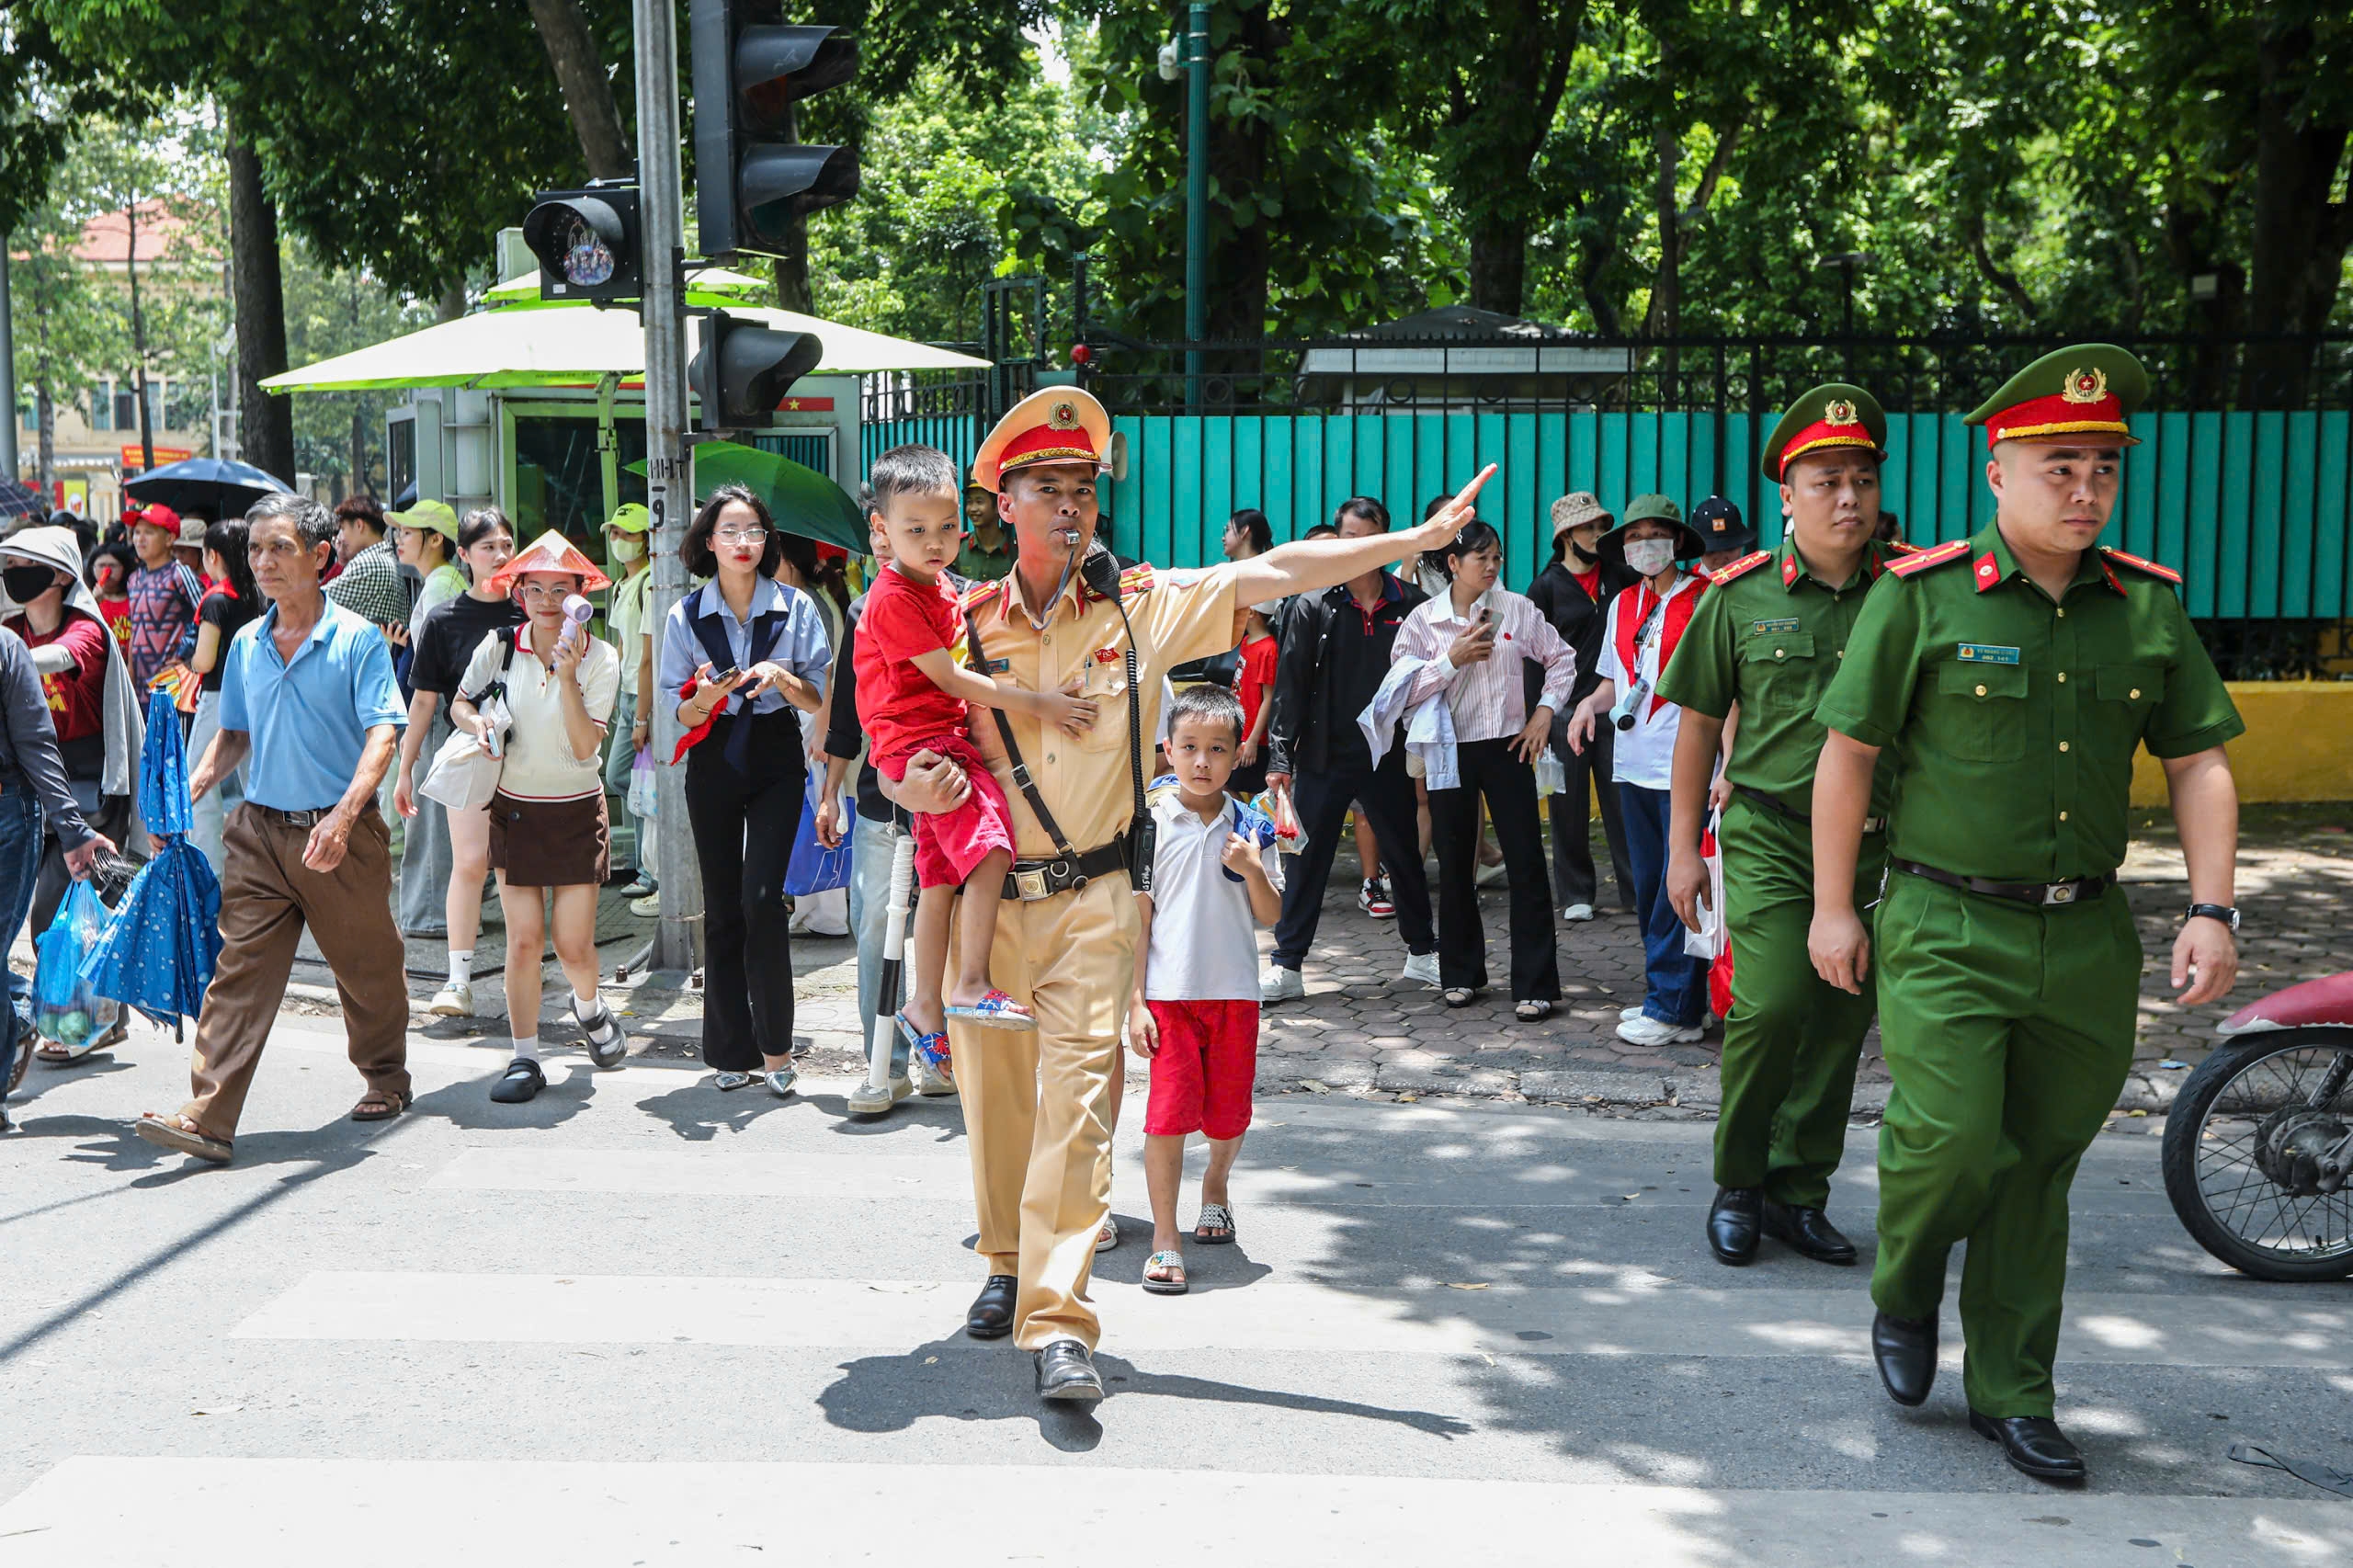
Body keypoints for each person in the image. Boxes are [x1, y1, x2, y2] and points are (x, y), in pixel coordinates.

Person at [885, 383, 1484, 1402]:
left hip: (1097, 905)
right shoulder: (961, 623)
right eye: (1046, 487)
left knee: (1079, 1110)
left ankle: (1060, 1314)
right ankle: (1003, 1260)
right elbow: (893, 745)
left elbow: (1275, 570)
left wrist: (1412, 541)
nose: (1069, 504)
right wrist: (908, 782)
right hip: (991, 899)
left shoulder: (1138, 609)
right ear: (1003, 504)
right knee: (996, 1107)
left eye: (1082, 487)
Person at [1812, 346, 2244, 1484]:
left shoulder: (2147, 608)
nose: (2086, 487)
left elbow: (2197, 760)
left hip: (2086, 936)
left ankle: (2012, 1389)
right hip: (1946, 923)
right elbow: (1846, 756)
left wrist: (2212, 905)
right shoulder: (1921, 596)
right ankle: (1905, 1282)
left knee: (2039, 1165)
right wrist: (1829, 908)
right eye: (2060, 464)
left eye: (2103, 465)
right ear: (1996, 469)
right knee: (1952, 1142)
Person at [1654, 387, 1910, 1271]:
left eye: (1863, 479)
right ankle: (1740, 1182)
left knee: (1841, 1021)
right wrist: (1684, 850)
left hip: (1883, 844)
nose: (1850, 498)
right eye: (1828, 480)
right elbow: (1695, 724)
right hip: (1768, 833)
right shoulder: (1740, 597)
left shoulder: (1915, 593)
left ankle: (1799, 1193)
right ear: (1788, 495)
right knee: (1768, 1007)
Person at [131, 492, 411, 1165]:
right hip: (257, 834)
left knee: (367, 968)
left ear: (320, 557)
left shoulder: (356, 639)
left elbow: (384, 734)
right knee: (239, 975)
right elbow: (233, 735)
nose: (263, 562)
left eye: (279, 548)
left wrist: (345, 817)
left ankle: (385, 1075)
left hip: (338, 836)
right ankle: (208, 1115)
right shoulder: (249, 643)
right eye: (256, 549)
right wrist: (189, 789)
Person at [855, 443, 1088, 1056]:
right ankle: (973, 982)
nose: (936, 542)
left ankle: (924, 1005)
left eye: (947, 528)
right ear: (881, 530)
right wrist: (1044, 703)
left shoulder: (938, 589)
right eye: (916, 530)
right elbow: (951, 679)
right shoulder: (895, 599)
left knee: (936, 885)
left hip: (925, 748)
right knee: (990, 852)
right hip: (929, 748)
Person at [656, 483, 833, 1096]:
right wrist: (703, 699)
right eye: (730, 532)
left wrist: (782, 676)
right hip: (713, 753)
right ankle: (731, 1053)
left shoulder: (795, 608)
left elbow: (818, 698)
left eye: (754, 532)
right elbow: (673, 715)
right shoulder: (685, 616)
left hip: (776, 752)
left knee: (762, 898)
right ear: (709, 542)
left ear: (767, 541)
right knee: (724, 905)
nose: (743, 543)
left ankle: (777, 1052)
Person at [449, 532, 628, 1103]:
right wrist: (474, 723)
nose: (548, 600)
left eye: (561, 589)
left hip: (576, 811)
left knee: (573, 946)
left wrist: (569, 675)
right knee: (524, 942)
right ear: (518, 593)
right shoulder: (499, 647)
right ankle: (524, 1059)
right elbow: (461, 700)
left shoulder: (602, 659)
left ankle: (590, 1008)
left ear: (582, 595)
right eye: (536, 589)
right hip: (514, 811)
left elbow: (583, 747)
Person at [1129, 683, 1284, 1296]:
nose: (1201, 761)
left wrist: (1250, 867)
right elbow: (1139, 918)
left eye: (1217, 749)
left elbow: (1272, 914)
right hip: (1168, 994)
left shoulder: (1249, 822)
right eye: (1189, 746)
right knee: (1166, 1118)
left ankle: (1215, 1184)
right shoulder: (1149, 822)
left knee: (1226, 1115)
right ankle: (1165, 1238)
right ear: (1167, 748)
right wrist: (1135, 1001)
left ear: (1236, 752)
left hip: (1235, 992)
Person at [1391, 520, 1577, 1017]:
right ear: (1453, 563)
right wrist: (1450, 661)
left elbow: (1562, 660)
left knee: (1526, 862)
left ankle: (1535, 984)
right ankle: (1460, 974)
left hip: (1509, 747)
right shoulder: (1423, 621)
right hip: (1449, 750)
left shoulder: (1516, 608)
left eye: (1497, 557)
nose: (1492, 566)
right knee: (1454, 864)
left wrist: (1543, 713)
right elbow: (1399, 693)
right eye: (1481, 558)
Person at [1260, 495, 1440, 1003]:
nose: (1357, 549)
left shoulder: (1411, 604)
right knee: (1306, 861)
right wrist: (1280, 759)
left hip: (1387, 755)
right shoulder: (1313, 604)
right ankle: (1287, 965)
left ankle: (1423, 955)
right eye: (1348, 541)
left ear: (1386, 541)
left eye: (1367, 539)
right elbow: (1290, 686)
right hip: (1324, 755)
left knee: (1404, 855)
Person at [814, 517, 956, 1112]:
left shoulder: (960, 600)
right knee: (876, 926)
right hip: (883, 798)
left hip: (952, 789)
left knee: (945, 932)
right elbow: (846, 716)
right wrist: (831, 792)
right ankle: (885, 1064)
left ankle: (939, 1057)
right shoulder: (862, 611)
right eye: (882, 530)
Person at [1568, 494, 1710, 1046]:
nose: (1643, 545)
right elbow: (1613, 683)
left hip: (1686, 767)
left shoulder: (1703, 598)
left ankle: (1673, 1007)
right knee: (1652, 887)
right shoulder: (1624, 602)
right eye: (1633, 537)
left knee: (1680, 886)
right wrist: (1586, 705)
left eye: (1655, 534)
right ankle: (1677, 1002)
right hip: (1634, 766)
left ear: (1676, 542)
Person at [0, 525, 138, 1069]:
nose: (14, 576)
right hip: (30, 784)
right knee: (45, 920)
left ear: (61, 576)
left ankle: (83, 1017)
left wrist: (11, 662)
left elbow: (58, 658)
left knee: (72, 906)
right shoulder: (10, 631)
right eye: (7, 566)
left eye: (25, 565)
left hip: (89, 783)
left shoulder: (86, 630)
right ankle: (74, 1014)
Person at [393, 509, 520, 985]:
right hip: (467, 748)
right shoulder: (444, 620)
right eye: (488, 547)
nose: (500, 555)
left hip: (527, 752)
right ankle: (457, 979)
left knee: (516, 869)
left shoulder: (529, 610)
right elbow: (425, 701)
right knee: (469, 863)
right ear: (464, 555)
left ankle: (521, 970)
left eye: (506, 545)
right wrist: (406, 771)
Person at [0, 608, 113, 1120]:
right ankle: (21, 1007)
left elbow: (36, 743)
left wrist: (72, 829)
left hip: (9, 813)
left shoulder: (7, 648)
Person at [1526, 492, 1638, 922]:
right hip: (1564, 711)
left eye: (1600, 526)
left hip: (1615, 706)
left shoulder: (1622, 576)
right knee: (1567, 805)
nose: (1598, 533)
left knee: (1622, 801)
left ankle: (1635, 890)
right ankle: (1576, 893)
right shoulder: (1546, 586)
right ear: (1567, 535)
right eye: (1589, 527)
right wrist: (1540, 713)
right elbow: (1532, 656)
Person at [187, 518, 263, 872]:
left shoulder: (216, 600)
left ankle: (209, 871)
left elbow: (203, 660)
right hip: (257, 698)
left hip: (218, 700)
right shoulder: (257, 595)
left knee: (200, 784)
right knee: (256, 785)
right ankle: (264, 868)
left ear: (213, 555)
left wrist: (186, 659)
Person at [598, 503, 657, 898]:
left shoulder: (653, 584)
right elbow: (621, 649)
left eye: (627, 533)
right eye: (614, 533)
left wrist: (641, 717)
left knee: (629, 779)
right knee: (632, 782)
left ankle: (652, 869)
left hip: (643, 697)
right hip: (626, 695)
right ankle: (646, 867)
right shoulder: (622, 586)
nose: (618, 540)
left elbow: (649, 657)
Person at [123, 501, 202, 689]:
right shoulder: (134, 579)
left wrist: (188, 659)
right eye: (136, 532)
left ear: (169, 539)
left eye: (149, 532)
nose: (140, 539)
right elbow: (136, 628)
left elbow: (207, 617)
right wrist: (130, 677)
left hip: (175, 684)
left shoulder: (180, 574)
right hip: (140, 686)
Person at [324, 495, 411, 634]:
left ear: (359, 525)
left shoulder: (370, 563)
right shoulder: (384, 556)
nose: (340, 537)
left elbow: (312, 605)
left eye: (343, 528)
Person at [392, 499, 469, 627]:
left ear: (435, 539)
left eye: (407, 533)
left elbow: (437, 646)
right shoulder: (445, 579)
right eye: (399, 533)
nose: (398, 541)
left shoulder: (438, 588)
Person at [955, 477, 1015, 582]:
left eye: (979, 502)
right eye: (969, 502)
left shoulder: (1015, 551)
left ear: (998, 506)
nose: (973, 509)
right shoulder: (958, 549)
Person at [86, 541, 134, 651]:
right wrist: (93, 603)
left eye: (113, 566)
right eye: (101, 566)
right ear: (92, 568)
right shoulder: (84, 597)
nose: (107, 571)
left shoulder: (135, 596)